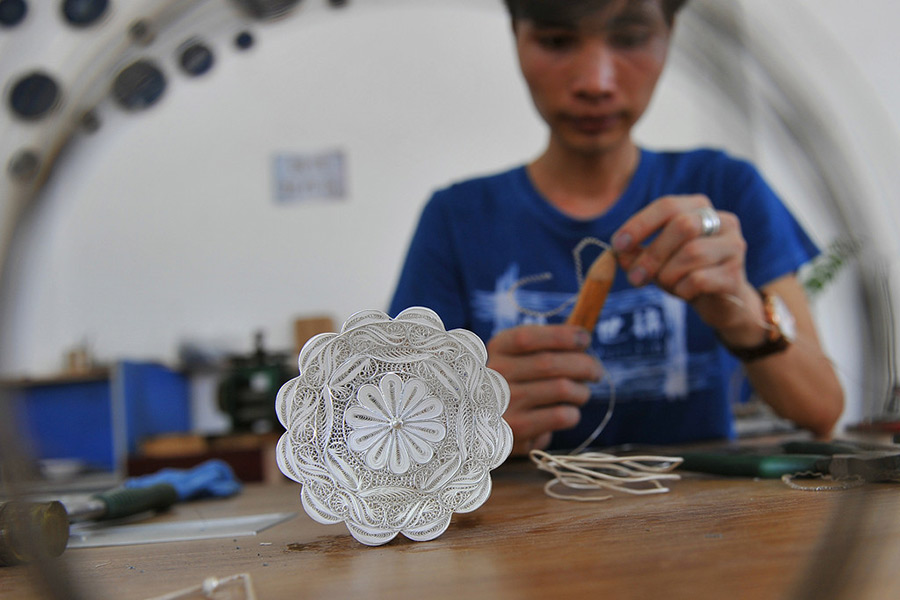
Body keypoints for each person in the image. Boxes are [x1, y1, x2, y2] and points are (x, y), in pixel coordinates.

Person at [389, 0, 844, 456]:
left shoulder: (725, 188)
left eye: (629, 39)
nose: (596, 83)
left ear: (670, 34)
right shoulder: (456, 218)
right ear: (516, 35)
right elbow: (389, 433)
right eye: (556, 41)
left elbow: (822, 409)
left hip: (704, 523)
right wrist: (467, 421)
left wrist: (740, 310)